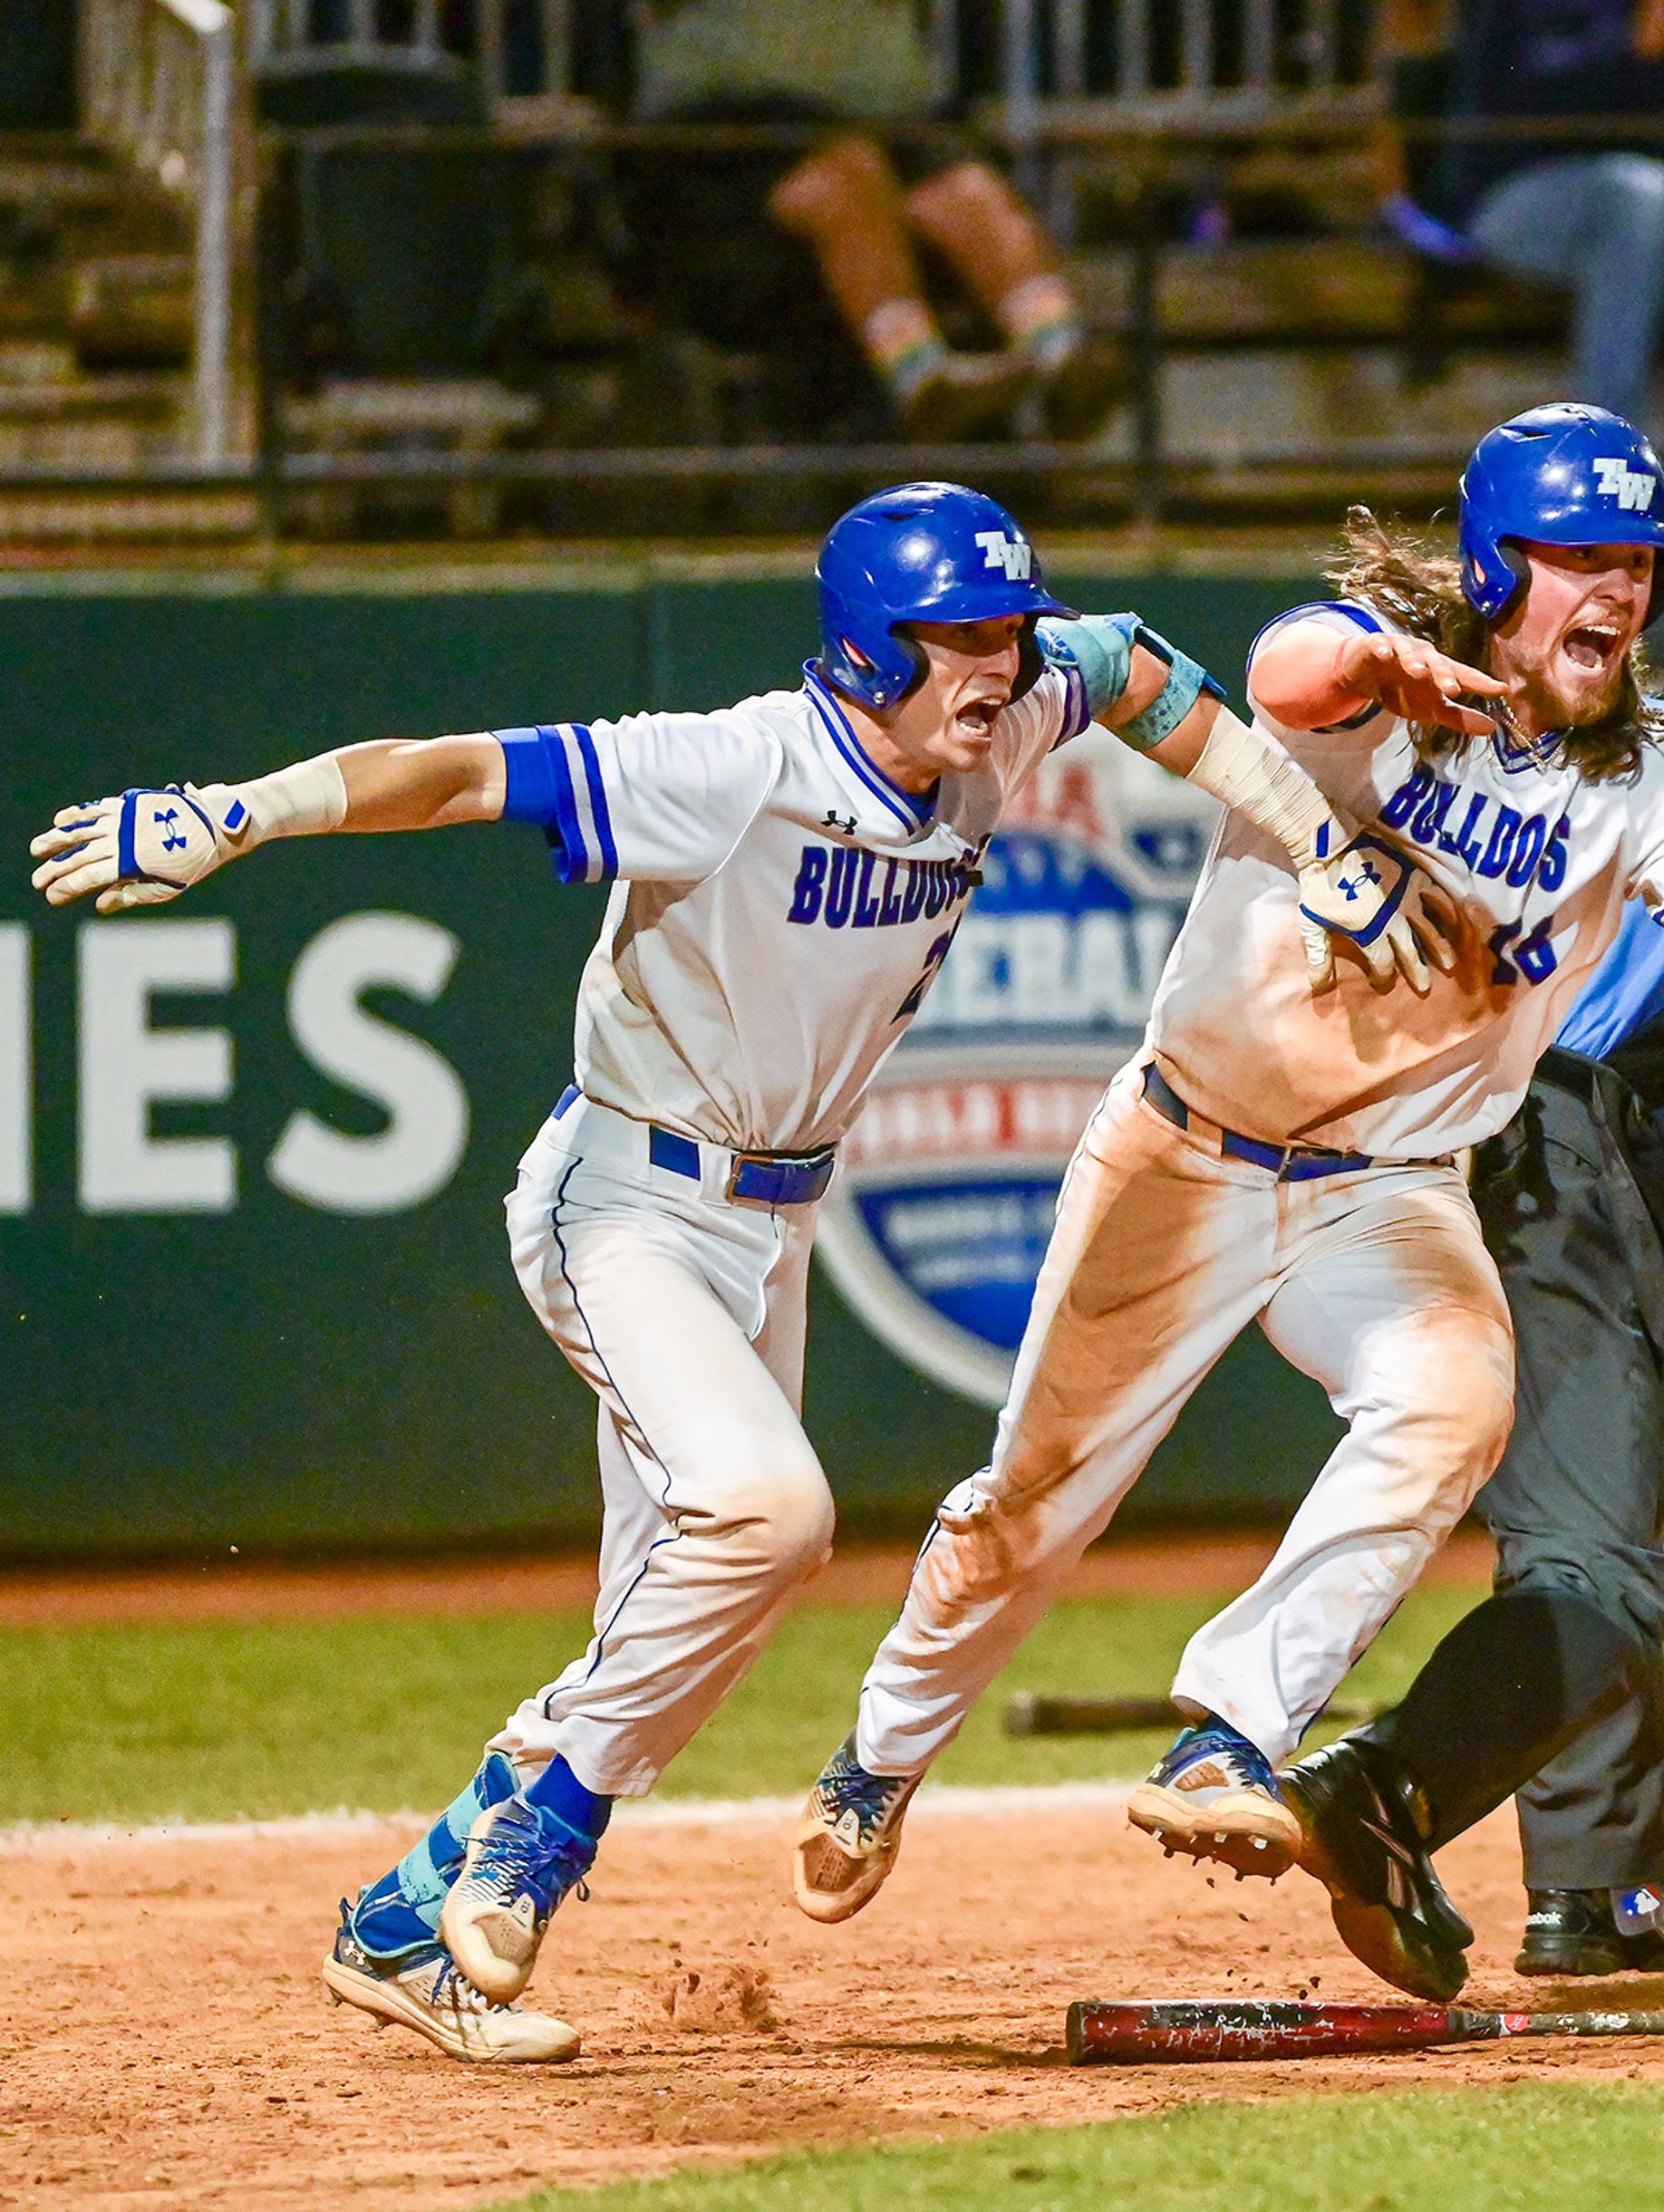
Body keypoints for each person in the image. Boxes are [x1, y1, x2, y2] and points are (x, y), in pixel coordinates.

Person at [23, 483, 1420, 2062]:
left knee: (688, 1613)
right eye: (957, 636)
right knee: (773, 1509)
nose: (998, 661)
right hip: (626, 1201)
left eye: (1004, 629)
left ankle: (409, 1922)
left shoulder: (1006, 717)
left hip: (775, 1227)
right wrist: (242, 810)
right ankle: (536, 1846)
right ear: (867, 644)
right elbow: (462, 771)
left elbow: (1141, 669)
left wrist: (1317, 836)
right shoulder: (741, 763)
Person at [796, 407, 1664, 2001]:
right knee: (1029, 1504)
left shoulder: (1649, 776)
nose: (1619, 591)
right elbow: (1289, 665)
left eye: (1635, 562)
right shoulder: (1383, 680)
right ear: (1499, 562)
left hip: (1391, 1189)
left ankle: (1232, 1730)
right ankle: (877, 1759)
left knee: (1453, 1407)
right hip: (1189, 1151)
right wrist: (1382, 666)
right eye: (1578, 555)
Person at [1322, 562, 1664, 1986]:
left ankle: (1606, 1883)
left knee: (1583, 1508)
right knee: (1594, 1552)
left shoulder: (1500, 739)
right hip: (1548, 1139)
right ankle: (1383, 1791)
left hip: (1373, 1125)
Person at [623, 0, 1129, 441]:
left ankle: (1064, 356)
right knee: (848, 173)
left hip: (889, 114)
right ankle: (921, 379)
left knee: (967, 193)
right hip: (729, 133)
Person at [1390, 0, 1664, 450]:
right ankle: (1615, 452)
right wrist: (1646, 47)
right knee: (1637, 192)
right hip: (1515, 197)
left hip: (1657, 200)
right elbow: (1551, 107)